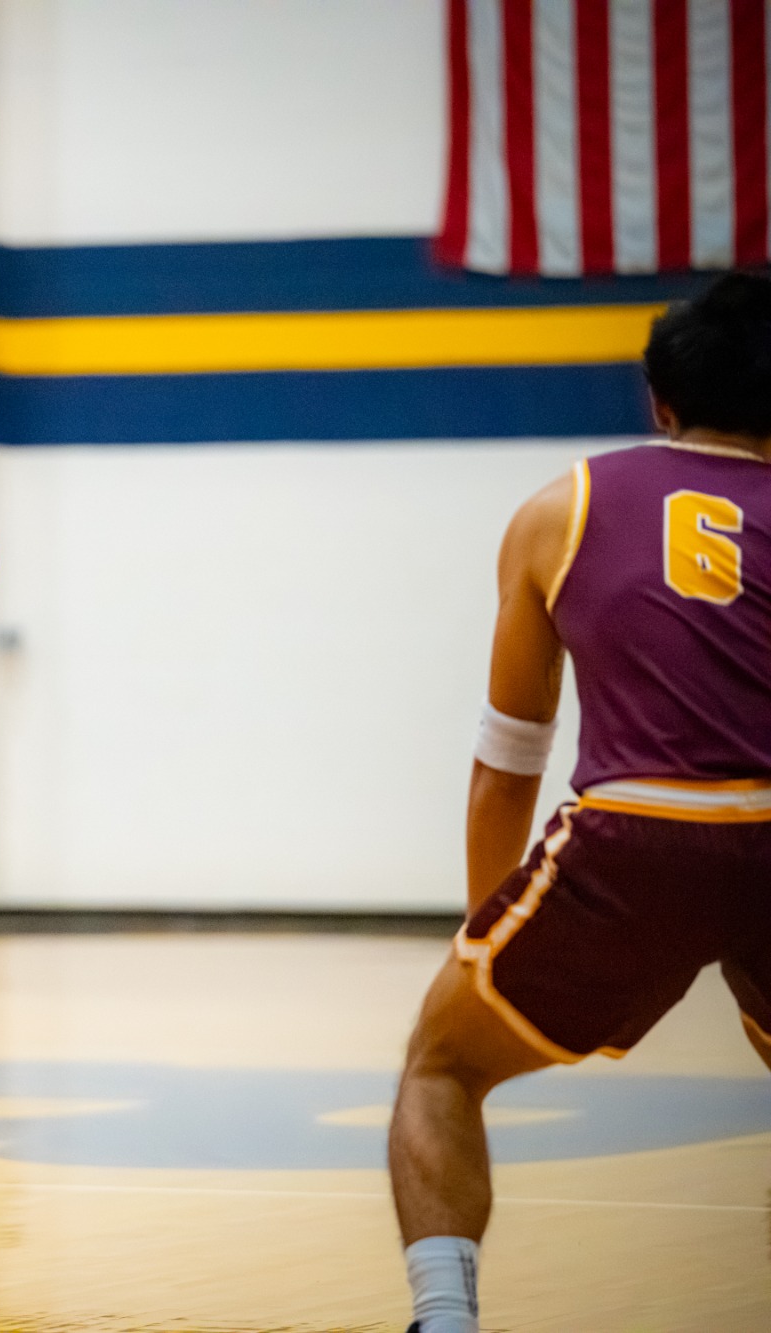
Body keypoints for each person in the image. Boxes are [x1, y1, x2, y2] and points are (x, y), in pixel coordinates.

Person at [387, 272, 771, 1333]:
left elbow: (510, 754)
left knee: (441, 1064)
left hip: (640, 834)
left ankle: (444, 1319)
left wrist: (481, 929)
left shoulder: (564, 508)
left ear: (658, 400)